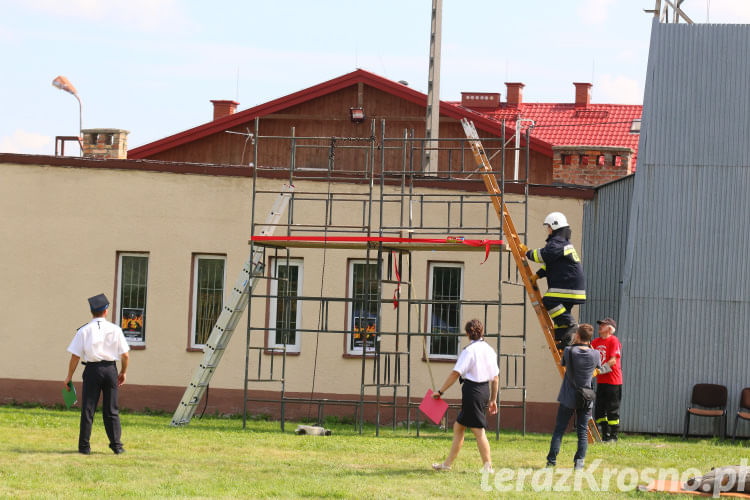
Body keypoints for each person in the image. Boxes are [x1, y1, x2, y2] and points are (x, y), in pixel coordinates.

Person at [64, 294, 130, 455]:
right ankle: (117, 446)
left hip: (92, 370)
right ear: (106, 311)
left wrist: (69, 377)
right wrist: (123, 372)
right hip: (110, 370)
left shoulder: (84, 330)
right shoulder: (115, 329)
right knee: (111, 409)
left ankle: (84, 447)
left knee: (88, 408)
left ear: (91, 312)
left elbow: (75, 356)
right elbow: (125, 355)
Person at [431, 319, 499, 473]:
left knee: (478, 430)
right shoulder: (489, 350)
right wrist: (493, 399)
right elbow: (495, 378)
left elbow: (456, 373)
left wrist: (440, 391)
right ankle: (447, 464)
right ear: (482, 332)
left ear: (468, 334)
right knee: (459, 427)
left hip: (472, 392)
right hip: (484, 391)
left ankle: (488, 467)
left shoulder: (469, 351)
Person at [519, 212, 586, 350]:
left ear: (555, 226)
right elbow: (551, 265)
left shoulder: (558, 242)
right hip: (571, 286)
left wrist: (528, 252)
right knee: (560, 319)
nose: (548, 230)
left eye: (548, 227)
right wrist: (537, 276)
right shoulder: (562, 242)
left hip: (568, 285)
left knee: (549, 301)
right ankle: (564, 340)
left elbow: (544, 255)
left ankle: (572, 324)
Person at [546, 323, 601, 471]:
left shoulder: (569, 351)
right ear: (590, 338)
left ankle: (551, 462)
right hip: (586, 398)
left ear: (577, 335)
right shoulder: (596, 354)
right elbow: (598, 368)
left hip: (568, 396)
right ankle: (579, 464)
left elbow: (564, 364)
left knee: (559, 430)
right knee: (582, 432)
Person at [591, 317, 622, 442]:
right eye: (600, 324)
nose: (600, 327)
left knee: (612, 410)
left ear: (610, 329)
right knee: (599, 410)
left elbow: (613, 361)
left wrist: (598, 371)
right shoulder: (595, 342)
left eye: (603, 325)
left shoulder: (614, 341)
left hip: (613, 381)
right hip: (601, 381)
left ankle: (613, 436)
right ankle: (605, 435)